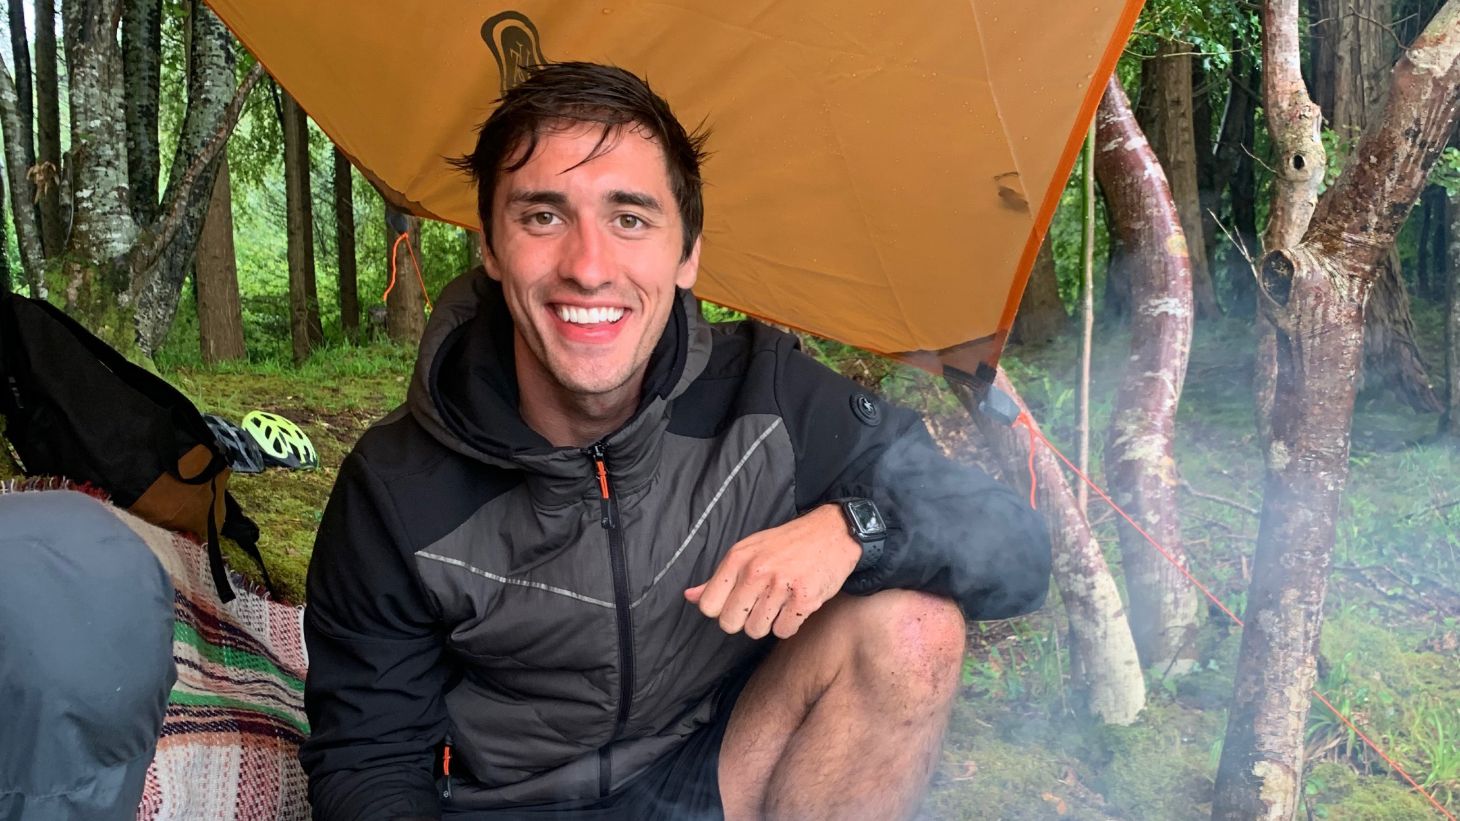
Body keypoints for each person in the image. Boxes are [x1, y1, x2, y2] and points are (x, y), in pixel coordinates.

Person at [301, 62, 1051, 821]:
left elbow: (1014, 547)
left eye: (630, 218)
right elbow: (368, 764)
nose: (589, 267)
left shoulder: (766, 399)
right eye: (543, 217)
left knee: (914, 629)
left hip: (704, 778)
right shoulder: (396, 487)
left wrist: (851, 529)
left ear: (687, 253)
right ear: (491, 249)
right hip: (501, 806)